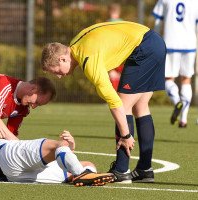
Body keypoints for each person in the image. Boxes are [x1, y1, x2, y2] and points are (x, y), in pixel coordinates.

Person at [41, 21, 166, 183]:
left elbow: (114, 102)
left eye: (55, 70)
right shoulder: (75, 45)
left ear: (63, 59)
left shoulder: (89, 61)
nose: (58, 76)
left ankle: (121, 170)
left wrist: (125, 135)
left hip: (144, 47)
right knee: (140, 107)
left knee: (124, 104)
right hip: (153, 41)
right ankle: (144, 170)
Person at [0, 124, 114, 186]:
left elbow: (64, 157)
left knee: (89, 165)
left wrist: (70, 147)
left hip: (12, 174)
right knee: (56, 146)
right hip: (6, 157)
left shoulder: (59, 173)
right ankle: (82, 174)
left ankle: (82, 175)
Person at [152, 0, 198, 128]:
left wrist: (155, 40)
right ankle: (183, 119)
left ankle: (177, 101)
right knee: (186, 80)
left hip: (170, 43)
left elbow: (157, 22)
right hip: (190, 45)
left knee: (167, 79)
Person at [106, 2, 124, 90]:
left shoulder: (108, 23)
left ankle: (115, 97)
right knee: (116, 75)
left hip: (115, 52)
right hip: (120, 52)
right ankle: (119, 97)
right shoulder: (123, 23)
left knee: (113, 74)